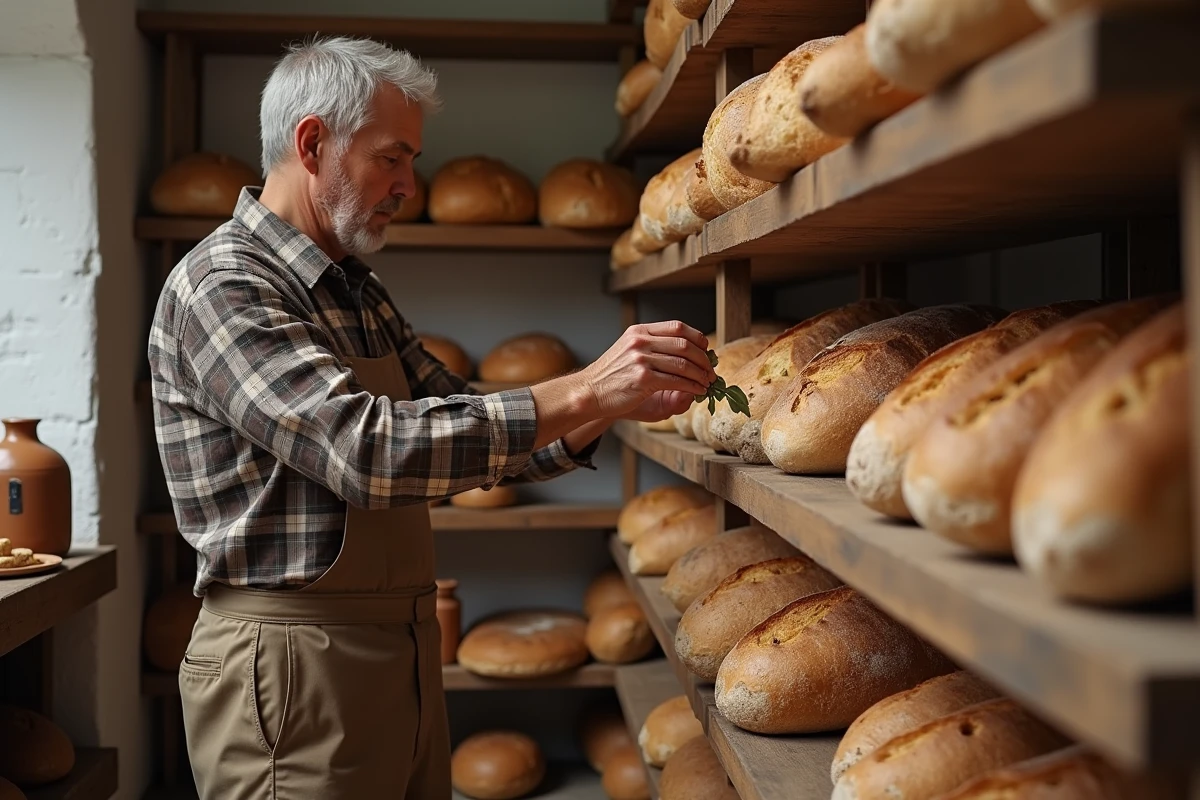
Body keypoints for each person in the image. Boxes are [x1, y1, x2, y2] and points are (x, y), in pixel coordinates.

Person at [147, 35, 716, 800]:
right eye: (392, 157)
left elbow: (461, 425)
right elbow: (369, 452)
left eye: (411, 161)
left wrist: (606, 407)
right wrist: (583, 390)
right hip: (287, 666)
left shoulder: (355, 287)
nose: (408, 185)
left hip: (400, 648)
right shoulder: (224, 286)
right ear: (312, 142)